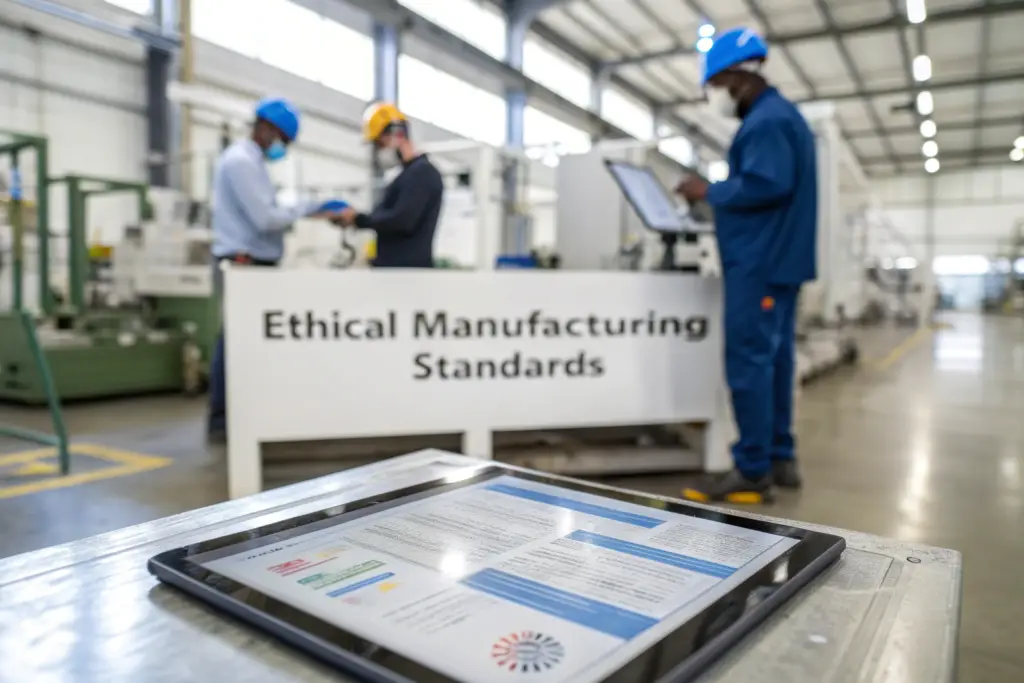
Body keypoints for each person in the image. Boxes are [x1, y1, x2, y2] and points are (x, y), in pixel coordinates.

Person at [675, 28, 818, 504]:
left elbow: (766, 184)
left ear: (736, 77)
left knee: (749, 364)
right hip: (778, 262)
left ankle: (753, 469)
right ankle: (780, 458)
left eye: (713, 85)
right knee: (774, 362)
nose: (713, 96)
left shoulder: (767, 122)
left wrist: (707, 190)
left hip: (760, 262)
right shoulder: (780, 116)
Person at [206, 97, 338, 443]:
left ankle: (241, 415)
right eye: (283, 140)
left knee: (245, 341)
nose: (282, 148)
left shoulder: (251, 162)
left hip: (252, 263)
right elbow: (265, 218)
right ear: (267, 129)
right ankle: (222, 419)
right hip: (243, 263)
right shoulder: (241, 162)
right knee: (235, 342)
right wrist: (311, 208)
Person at [330, 102, 443, 268]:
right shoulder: (407, 175)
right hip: (397, 272)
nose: (378, 151)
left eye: (379, 144)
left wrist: (358, 219)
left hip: (408, 273)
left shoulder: (422, 173)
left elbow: (402, 220)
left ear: (397, 134)